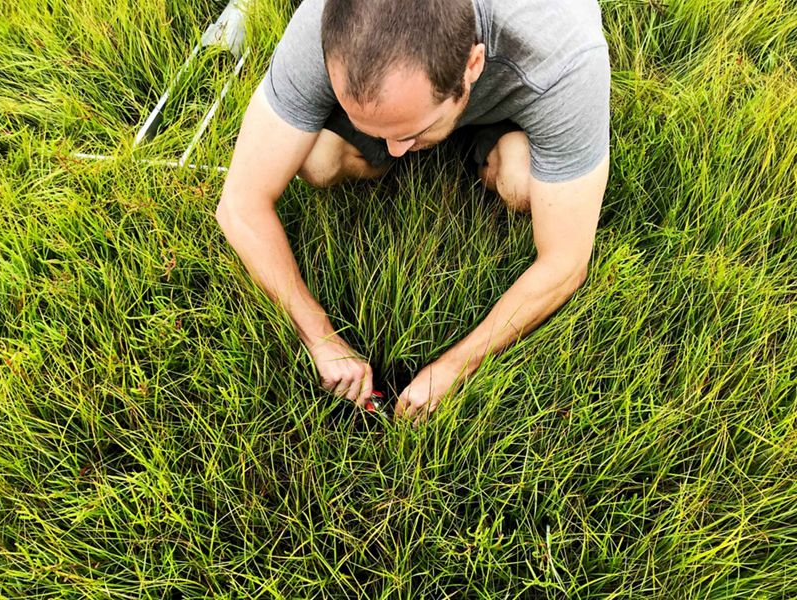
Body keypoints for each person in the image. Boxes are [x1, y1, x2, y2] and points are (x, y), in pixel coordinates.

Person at [215, 0, 611, 426]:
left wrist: (456, 367)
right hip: (432, 92)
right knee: (317, 160)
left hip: (513, 96)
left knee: (521, 182)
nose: (393, 150)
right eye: (380, 134)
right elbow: (240, 203)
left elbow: (566, 262)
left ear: (474, 63)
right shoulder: (325, 21)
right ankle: (395, 122)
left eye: (409, 135)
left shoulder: (565, 59)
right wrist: (319, 336)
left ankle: (483, 142)